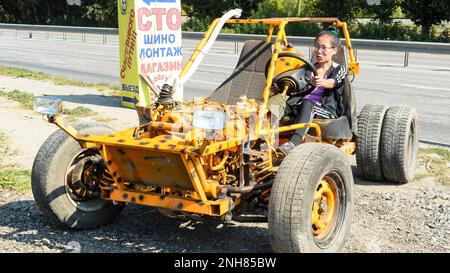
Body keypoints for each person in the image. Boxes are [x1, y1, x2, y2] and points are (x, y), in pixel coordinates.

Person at [278, 30, 348, 155]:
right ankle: (259, 140)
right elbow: (294, 83)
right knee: (272, 105)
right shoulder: (307, 68)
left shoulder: (340, 69)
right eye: (316, 46)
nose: (319, 51)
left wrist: (322, 82)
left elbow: (335, 81)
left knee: (307, 103)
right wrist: (279, 86)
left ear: (334, 50)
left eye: (324, 48)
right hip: (299, 105)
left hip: (325, 110)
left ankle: (293, 143)